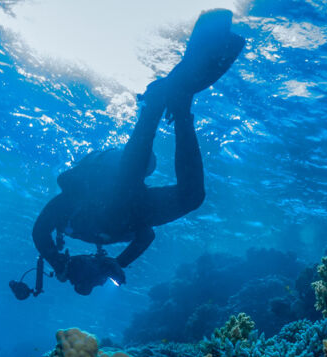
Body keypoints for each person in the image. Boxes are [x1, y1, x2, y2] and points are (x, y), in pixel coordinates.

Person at [15, 9, 245, 297]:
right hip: (138, 205)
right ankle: (181, 109)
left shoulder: (69, 223)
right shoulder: (106, 246)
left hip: (113, 185)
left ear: (77, 261)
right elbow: (147, 234)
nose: (94, 275)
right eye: (97, 280)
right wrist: (117, 263)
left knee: (127, 178)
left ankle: (153, 106)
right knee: (192, 198)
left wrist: (56, 261)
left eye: (86, 276)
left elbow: (39, 230)